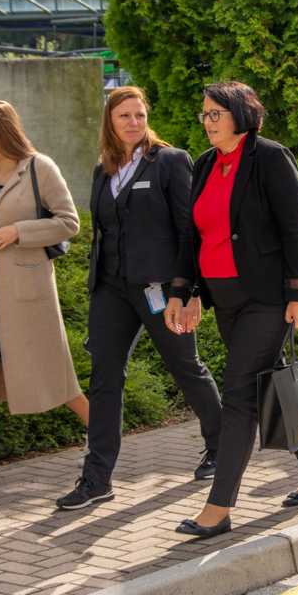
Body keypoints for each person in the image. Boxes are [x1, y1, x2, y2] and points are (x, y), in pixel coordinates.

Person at [169, 82, 298, 539]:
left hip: (266, 298)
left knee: (239, 394)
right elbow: (192, 235)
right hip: (225, 299)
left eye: (215, 114)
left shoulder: (270, 158)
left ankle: (219, 507)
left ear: (240, 114)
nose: (207, 122)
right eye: (204, 115)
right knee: (269, 388)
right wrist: (183, 291)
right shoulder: (205, 164)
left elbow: (294, 227)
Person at [55, 87, 223, 511]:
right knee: (104, 377)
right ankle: (96, 479)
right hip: (110, 288)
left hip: (160, 290)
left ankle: (222, 446)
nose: (133, 122)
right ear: (110, 123)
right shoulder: (103, 169)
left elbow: (189, 229)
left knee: (185, 366)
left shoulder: (169, 161)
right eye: (124, 116)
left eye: (139, 115)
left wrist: (190, 290)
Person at [0, 100, 85, 496]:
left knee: (55, 374)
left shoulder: (40, 167)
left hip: (27, 292)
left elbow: (69, 223)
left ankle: (105, 437)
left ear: (7, 133)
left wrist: (20, 231)